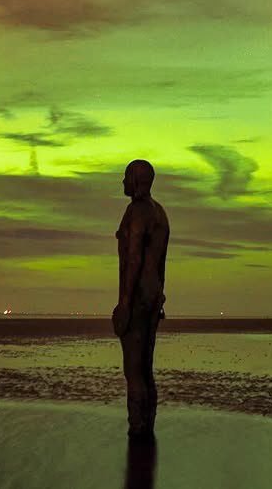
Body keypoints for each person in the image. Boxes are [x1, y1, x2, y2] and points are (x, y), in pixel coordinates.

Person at [112, 159, 170, 440]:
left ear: (136, 180)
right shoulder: (160, 213)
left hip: (137, 297)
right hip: (153, 294)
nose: (122, 182)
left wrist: (124, 302)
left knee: (133, 369)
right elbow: (161, 263)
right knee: (146, 367)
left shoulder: (137, 212)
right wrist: (160, 294)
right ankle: (148, 428)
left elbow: (133, 258)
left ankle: (138, 430)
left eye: (125, 177)